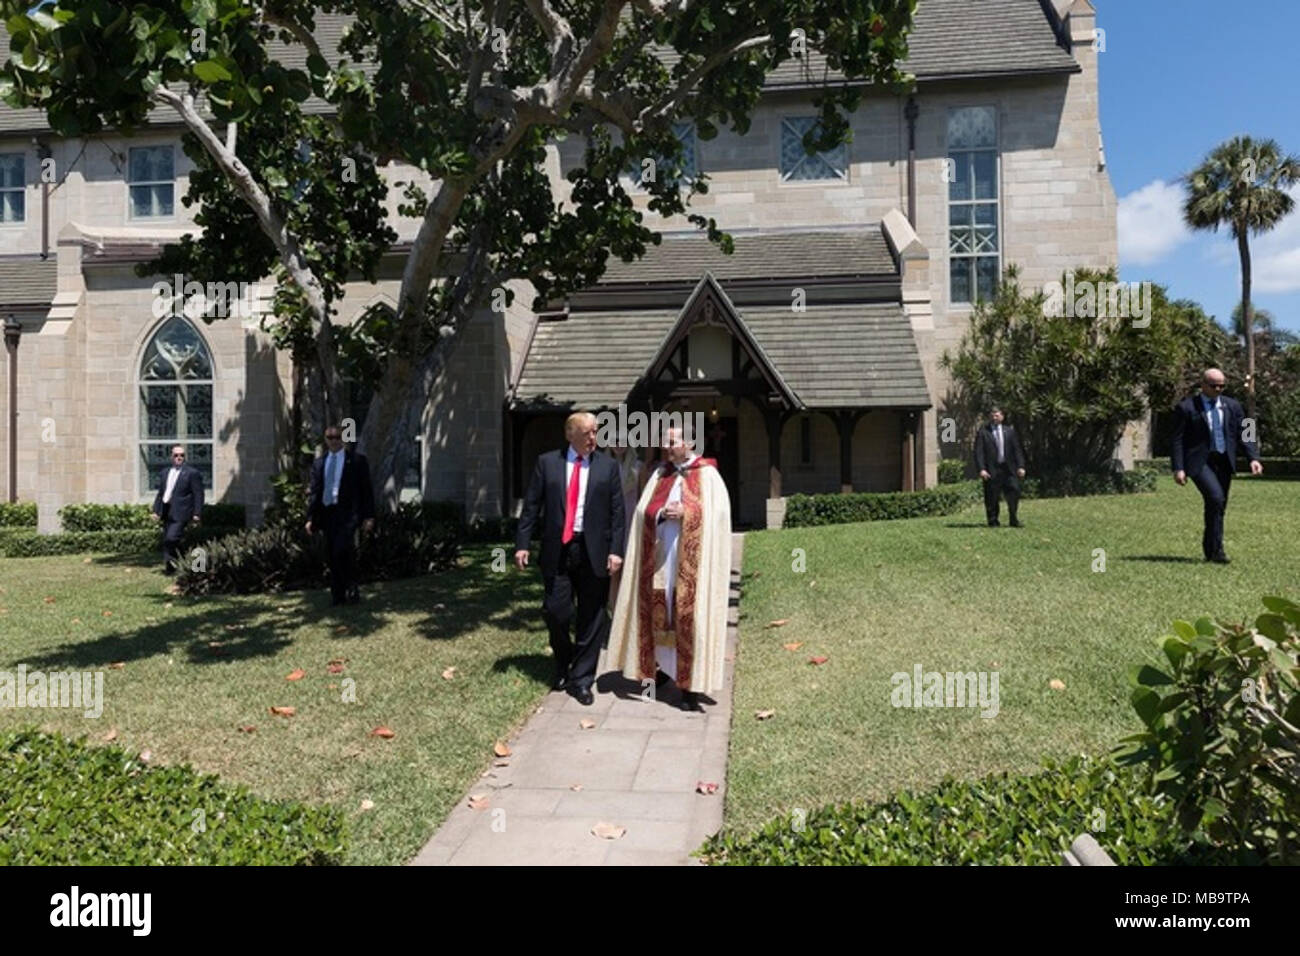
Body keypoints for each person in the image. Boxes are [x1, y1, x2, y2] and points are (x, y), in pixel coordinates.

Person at [607, 426, 731, 712]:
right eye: (664, 441)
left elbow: (720, 515)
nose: (666, 446)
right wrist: (662, 512)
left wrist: (689, 513)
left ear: (689, 442)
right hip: (662, 557)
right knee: (660, 612)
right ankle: (661, 671)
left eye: (672, 442)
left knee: (689, 614)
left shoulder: (708, 475)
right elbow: (642, 511)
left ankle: (689, 687)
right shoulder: (660, 474)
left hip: (694, 561)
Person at [515, 412, 626, 705]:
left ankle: (582, 680)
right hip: (558, 550)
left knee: (592, 616)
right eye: (587, 432)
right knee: (556, 611)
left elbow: (618, 515)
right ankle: (563, 663)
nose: (593, 438)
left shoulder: (608, 467)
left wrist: (616, 551)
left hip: (595, 551)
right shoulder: (547, 463)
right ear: (570, 434)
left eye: (595, 432)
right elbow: (531, 507)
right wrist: (522, 544)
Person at [1171, 368, 1262, 563]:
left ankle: (1212, 551)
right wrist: (1178, 468)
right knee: (1215, 497)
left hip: (1224, 461)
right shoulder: (1187, 408)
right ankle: (1217, 551)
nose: (1218, 389)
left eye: (1222, 385)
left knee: (1218, 505)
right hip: (1200, 462)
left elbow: (1248, 431)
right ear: (1203, 385)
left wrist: (1253, 458)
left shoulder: (1234, 406)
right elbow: (1177, 439)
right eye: (1214, 386)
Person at [305, 425, 376, 605]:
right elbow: (315, 492)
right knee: (333, 554)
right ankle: (339, 595)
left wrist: (369, 516)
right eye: (330, 437)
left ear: (342, 439)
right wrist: (310, 518)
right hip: (327, 513)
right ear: (326, 439)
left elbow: (366, 491)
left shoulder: (357, 461)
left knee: (341, 549)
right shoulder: (319, 463)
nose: (334, 441)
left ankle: (350, 586)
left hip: (348, 514)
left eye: (337, 437)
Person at [150, 443, 204, 574]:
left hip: (182, 512)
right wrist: (156, 511)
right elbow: (161, 493)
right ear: (171, 457)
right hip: (166, 511)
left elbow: (198, 494)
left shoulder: (192, 473)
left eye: (182, 455)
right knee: (169, 540)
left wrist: (197, 513)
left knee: (171, 538)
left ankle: (183, 557)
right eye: (176, 455)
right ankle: (170, 567)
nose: (179, 457)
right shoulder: (165, 472)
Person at [974, 406, 1026, 527]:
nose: (994, 417)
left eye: (997, 415)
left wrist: (1021, 466)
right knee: (992, 497)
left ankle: (1013, 518)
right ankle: (993, 521)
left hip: (1008, 469)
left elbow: (1017, 450)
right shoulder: (983, 432)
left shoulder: (1009, 431)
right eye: (992, 415)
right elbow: (978, 452)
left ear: (1002, 417)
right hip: (992, 469)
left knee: (1014, 491)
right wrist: (981, 469)